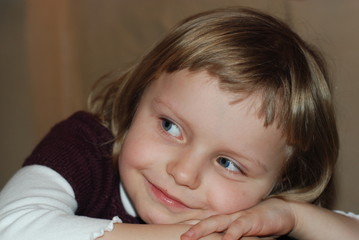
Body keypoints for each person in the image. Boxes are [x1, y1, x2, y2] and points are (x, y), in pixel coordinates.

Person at [0, 6, 349, 240]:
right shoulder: (86, 146)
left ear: (277, 183)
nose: (183, 174)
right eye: (170, 126)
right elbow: (11, 226)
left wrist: (293, 217)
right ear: (137, 99)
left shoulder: (250, 219)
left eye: (228, 163)